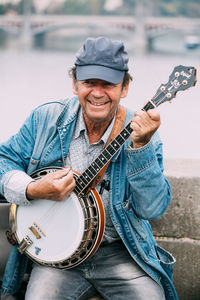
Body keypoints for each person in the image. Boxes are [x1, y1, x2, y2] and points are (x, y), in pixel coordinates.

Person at [0, 36, 178, 300]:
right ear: (75, 84)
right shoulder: (47, 119)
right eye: (89, 83)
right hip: (57, 258)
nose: (97, 92)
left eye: (108, 84)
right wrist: (34, 188)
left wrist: (141, 148)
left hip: (122, 254)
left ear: (125, 88)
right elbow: (4, 161)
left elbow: (152, 209)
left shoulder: (142, 132)